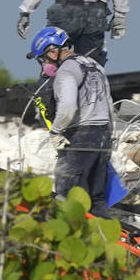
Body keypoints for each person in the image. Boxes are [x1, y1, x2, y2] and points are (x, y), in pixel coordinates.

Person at [28, 26, 113, 215]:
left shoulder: (65, 71)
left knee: (67, 194)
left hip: (81, 137)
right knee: (96, 198)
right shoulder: (95, 65)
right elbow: (109, 104)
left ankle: (68, 239)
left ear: (52, 51)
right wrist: (109, 135)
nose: (44, 65)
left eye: (43, 59)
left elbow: (67, 107)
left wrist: (56, 131)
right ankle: (106, 240)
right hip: (103, 135)